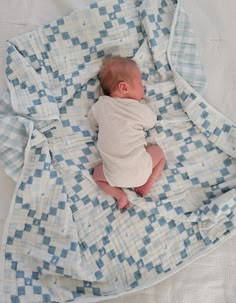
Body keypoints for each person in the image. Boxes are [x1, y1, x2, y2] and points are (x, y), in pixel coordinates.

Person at [88, 56, 165, 210]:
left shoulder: (101, 105)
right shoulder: (137, 108)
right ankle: (149, 182)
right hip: (141, 171)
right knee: (159, 153)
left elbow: (92, 122)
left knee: (97, 175)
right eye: (140, 83)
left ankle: (120, 195)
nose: (144, 88)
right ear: (124, 88)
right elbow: (151, 122)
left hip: (113, 175)